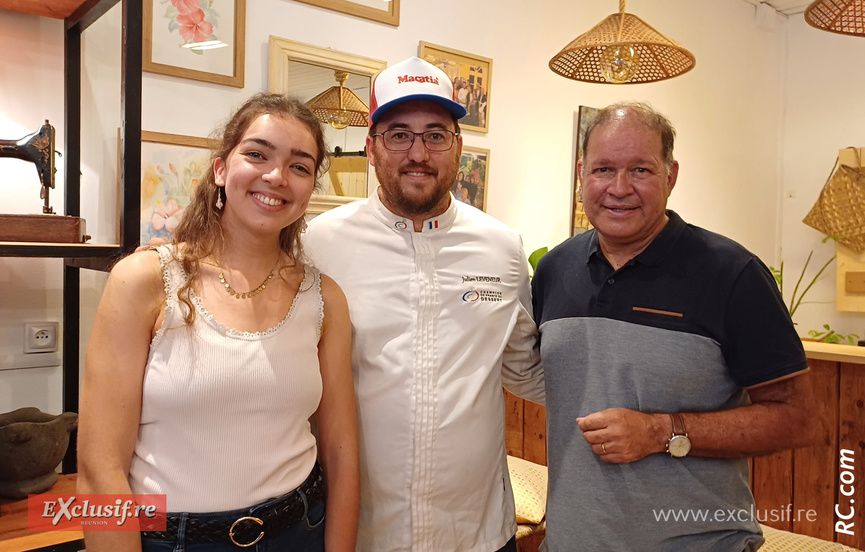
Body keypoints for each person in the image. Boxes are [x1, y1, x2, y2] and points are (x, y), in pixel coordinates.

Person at [77, 93, 360, 552]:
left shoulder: (325, 298)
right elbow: (98, 470)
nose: (276, 176)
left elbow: (341, 453)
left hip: (298, 530)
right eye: (257, 154)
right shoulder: (147, 281)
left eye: (300, 166)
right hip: (172, 540)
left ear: (310, 188)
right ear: (221, 170)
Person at [531, 101, 817, 551]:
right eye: (604, 169)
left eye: (641, 170)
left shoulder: (733, 274)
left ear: (671, 175)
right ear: (582, 174)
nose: (619, 188)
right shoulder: (553, 270)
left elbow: (797, 419)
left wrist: (661, 431)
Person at [303, 56, 544, 552]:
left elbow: (524, 367)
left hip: (476, 534)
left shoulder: (502, 247)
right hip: (359, 533)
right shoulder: (316, 245)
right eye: (398, 134)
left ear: (459, 147)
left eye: (436, 134)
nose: (419, 152)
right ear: (371, 147)